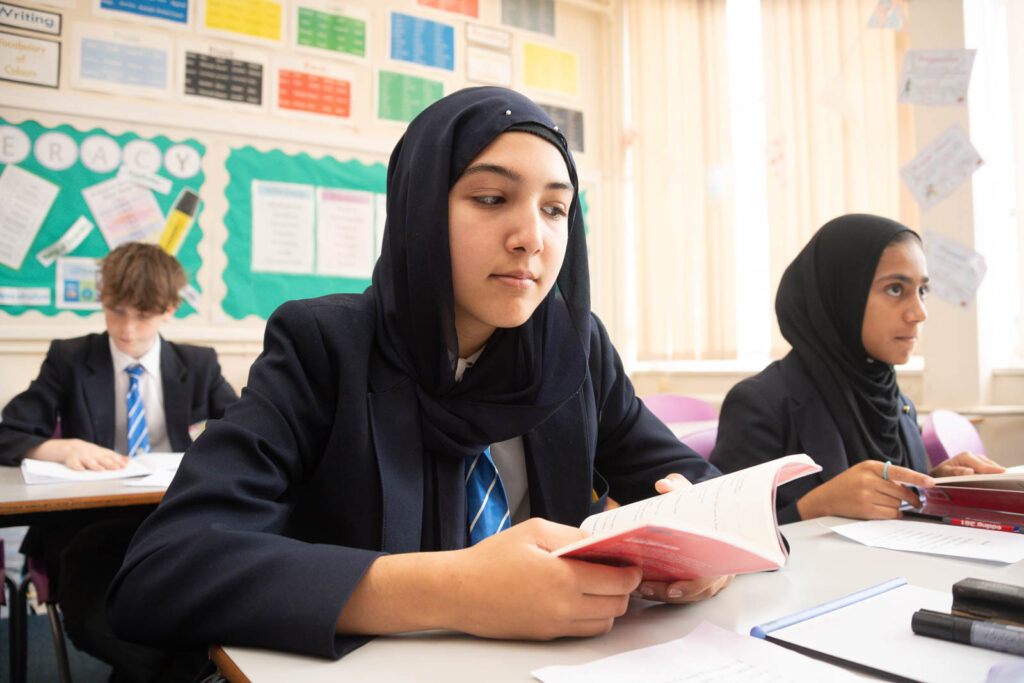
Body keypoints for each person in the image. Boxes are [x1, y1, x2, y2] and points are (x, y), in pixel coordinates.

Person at [108, 87, 732, 661]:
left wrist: (705, 547)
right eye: (491, 199)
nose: (531, 238)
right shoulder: (324, 346)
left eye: (556, 209)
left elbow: (701, 489)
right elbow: (164, 570)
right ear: (419, 210)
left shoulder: (575, 347)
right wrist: (453, 589)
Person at [0, 241, 239, 682]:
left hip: (172, 521)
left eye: (143, 315)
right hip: (86, 529)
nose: (127, 328)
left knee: (206, 607)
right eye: (115, 310)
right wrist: (60, 448)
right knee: (102, 623)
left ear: (169, 310)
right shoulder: (70, 358)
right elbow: (8, 431)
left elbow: (242, 431)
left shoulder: (198, 364)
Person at [710, 214, 1004, 523]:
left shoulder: (897, 403)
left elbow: (882, 514)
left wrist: (934, 488)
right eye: (895, 289)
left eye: (922, 291)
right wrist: (816, 506)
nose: (919, 313)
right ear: (840, 296)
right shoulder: (762, 403)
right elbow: (725, 530)